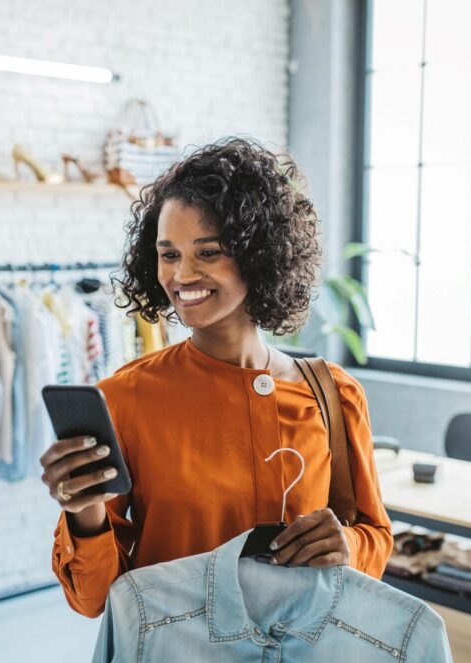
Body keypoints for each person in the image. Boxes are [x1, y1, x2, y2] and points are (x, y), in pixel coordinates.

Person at [40, 137, 393, 618]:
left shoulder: (332, 393)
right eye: (169, 254)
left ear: (260, 254)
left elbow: (375, 539)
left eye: (208, 252)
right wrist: (84, 513)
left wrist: (347, 545)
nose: (182, 274)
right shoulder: (125, 398)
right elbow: (95, 600)